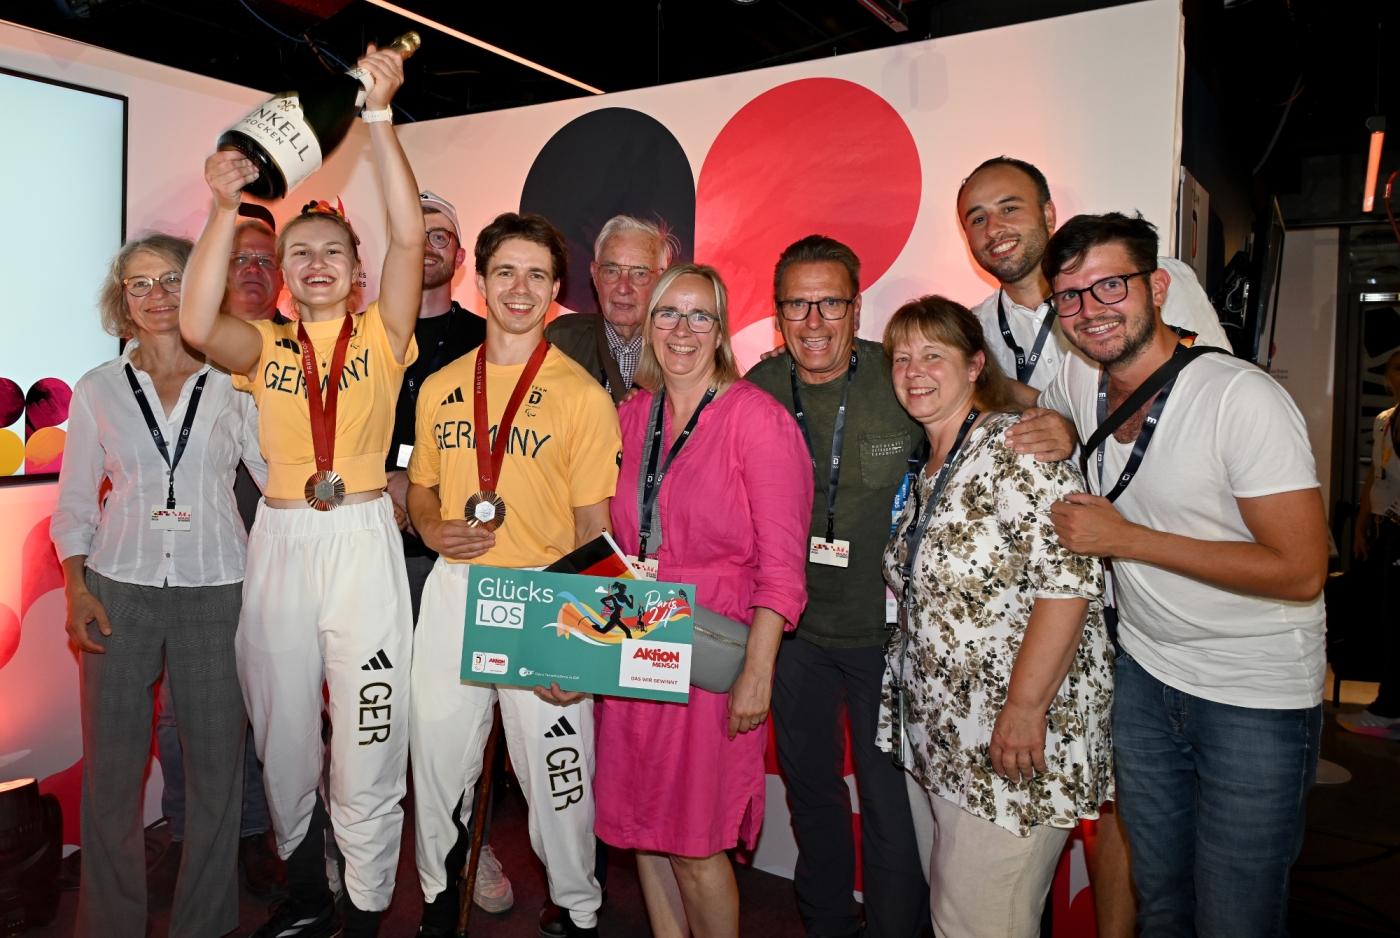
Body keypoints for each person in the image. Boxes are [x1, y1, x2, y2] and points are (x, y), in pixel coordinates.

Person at [180, 44, 421, 938]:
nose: (316, 263)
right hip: (281, 543)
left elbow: (407, 237)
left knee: (367, 731)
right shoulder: (265, 347)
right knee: (283, 736)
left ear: (356, 270)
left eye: (332, 252)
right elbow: (197, 321)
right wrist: (223, 208)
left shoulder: (384, 332)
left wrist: (381, 118)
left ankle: (366, 900)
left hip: (360, 538)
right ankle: (310, 891)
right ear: (282, 273)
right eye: (299, 253)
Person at [956, 155, 1231, 934]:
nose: (994, 227)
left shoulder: (1143, 287)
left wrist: (1076, 431)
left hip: (1145, 585)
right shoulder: (975, 327)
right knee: (1040, 780)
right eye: (976, 217)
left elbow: (1197, 396)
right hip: (1042, 589)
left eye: (1009, 207)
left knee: (1129, 799)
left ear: (1049, 213)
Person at [1040, 212, 1328, 935]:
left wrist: (1128, 541)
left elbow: (1301, 571)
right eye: (1070, 295)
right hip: (1145, 678)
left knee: (1236, 916)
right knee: (1161, 901)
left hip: (1253, 692)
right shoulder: (1077, 379)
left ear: (1158, 288)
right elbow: (1043, 409)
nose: (1090, 309)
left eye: (1110, 285)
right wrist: (1051, 426)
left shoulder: (1239, 397)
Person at [406, 212, 619, 938]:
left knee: (558, 773)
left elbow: (595, 530)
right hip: (457, 587)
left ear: (557, 289)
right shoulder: (441, 384)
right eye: (505, 272)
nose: (519, 289)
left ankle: (579, 910)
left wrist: (585, 650)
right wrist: (431, 526)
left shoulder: (581, 395)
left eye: (536, 275)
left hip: (543, 593)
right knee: (438, 760)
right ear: (481, 280)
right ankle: (439, 899)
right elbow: (422, 486)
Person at [52, 232, 266, 938]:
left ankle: (205, 923)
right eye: (139, 284)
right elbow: (75, 504)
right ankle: (107, 923)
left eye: (172, 278)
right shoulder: (98, 388)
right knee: (112, 773)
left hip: (218, 587)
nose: (157, 296)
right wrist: (77, 588)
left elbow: (276, 479)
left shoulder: (237, 381)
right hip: (118, 588)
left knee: (216, 772)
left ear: (199, 285)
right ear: (122, 300)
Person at [878, 296, 1112, 938]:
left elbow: (1069, 584)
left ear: (975, 364)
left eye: (933, 355)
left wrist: (1025, 709)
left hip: (1013, 741)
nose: (914, 371)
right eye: (902, 358)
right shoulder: (928, 464)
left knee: (980, 923)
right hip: (943, 737)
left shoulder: (1018, 448)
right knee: (958, 915)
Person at [595, 263, 812, 938]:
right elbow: (604, 538)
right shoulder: (631, 416)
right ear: (648, 325)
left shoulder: (759, 421)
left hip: (711, 648)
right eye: (668, 313)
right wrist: (579, 648)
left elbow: (783, 568)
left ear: (719, 332)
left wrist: (758, 673)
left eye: (699, 316)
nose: (681, 330)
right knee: (644, 830)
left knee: (694, 841)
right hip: (635, 633)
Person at [744, 236, 927, 938]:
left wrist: (1047, 419)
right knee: (812, 790)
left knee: (888, 801)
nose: (814, 321)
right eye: (797, 304)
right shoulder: (757, 388)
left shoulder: (900, 375)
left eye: (830, 303)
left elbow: (989, 408)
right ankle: (826, 922)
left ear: (857, 307)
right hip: (794, 633)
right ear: (777, 312)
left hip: (885, 634)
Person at [154, 206, 285, 897]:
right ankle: (184, 835)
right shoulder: (182, 349)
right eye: (239, 259)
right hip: (190, 563)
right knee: (179, 710)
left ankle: (256, 835)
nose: (254, 271)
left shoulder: (308, 348)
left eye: (266, 259)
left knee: (268, 705)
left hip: (280, 559)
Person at [546, 214, 677, 402]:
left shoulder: (679, 351)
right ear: (595, 275)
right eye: (611, 271)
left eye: (639, 273)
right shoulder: (561, 340)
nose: (623, 288)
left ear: (662, 280)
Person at [1344, 348, 1400, 739]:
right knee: (1385, 617)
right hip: (1385, 529)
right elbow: (1374, 477)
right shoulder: (1384, 421)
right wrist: (1362, 524)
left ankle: (1388, 708)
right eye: (1397, 368)